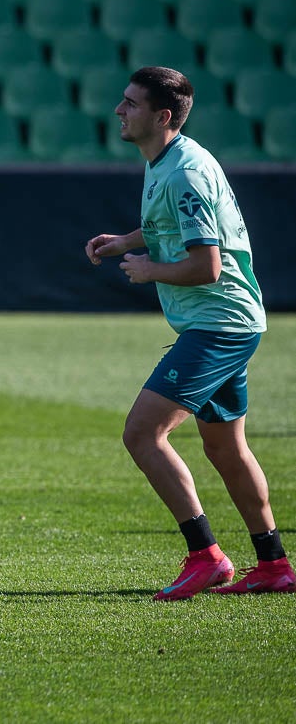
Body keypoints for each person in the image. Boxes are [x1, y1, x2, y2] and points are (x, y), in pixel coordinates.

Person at [86, 66, 291, 600]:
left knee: (142, 433)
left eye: (130, 103)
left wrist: (148, 270)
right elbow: (168, 230)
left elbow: (207, 266)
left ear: (163, 116)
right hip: (224, 322)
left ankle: (206, 556)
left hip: (218, 324)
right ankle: (273, 565)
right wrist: (123, 242)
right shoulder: (167, 161)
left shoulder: (184, 171)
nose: (119, 111)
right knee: (225, 448)